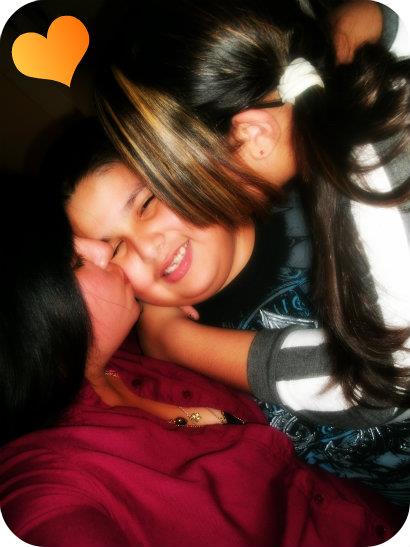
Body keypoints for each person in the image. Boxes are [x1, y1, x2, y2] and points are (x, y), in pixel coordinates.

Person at [77, 0, 410, 503]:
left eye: (163, 184)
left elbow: (385, 380)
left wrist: (175, 340)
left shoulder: (369, 172)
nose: (148, 245)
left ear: (251, 135)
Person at [1, 174, 405, 547]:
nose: (105, 251)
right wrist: (173, 338)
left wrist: (171, 336)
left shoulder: (129, 350)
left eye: (146, 203)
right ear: (23, 320)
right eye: (72, 260)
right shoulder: (45, 484)